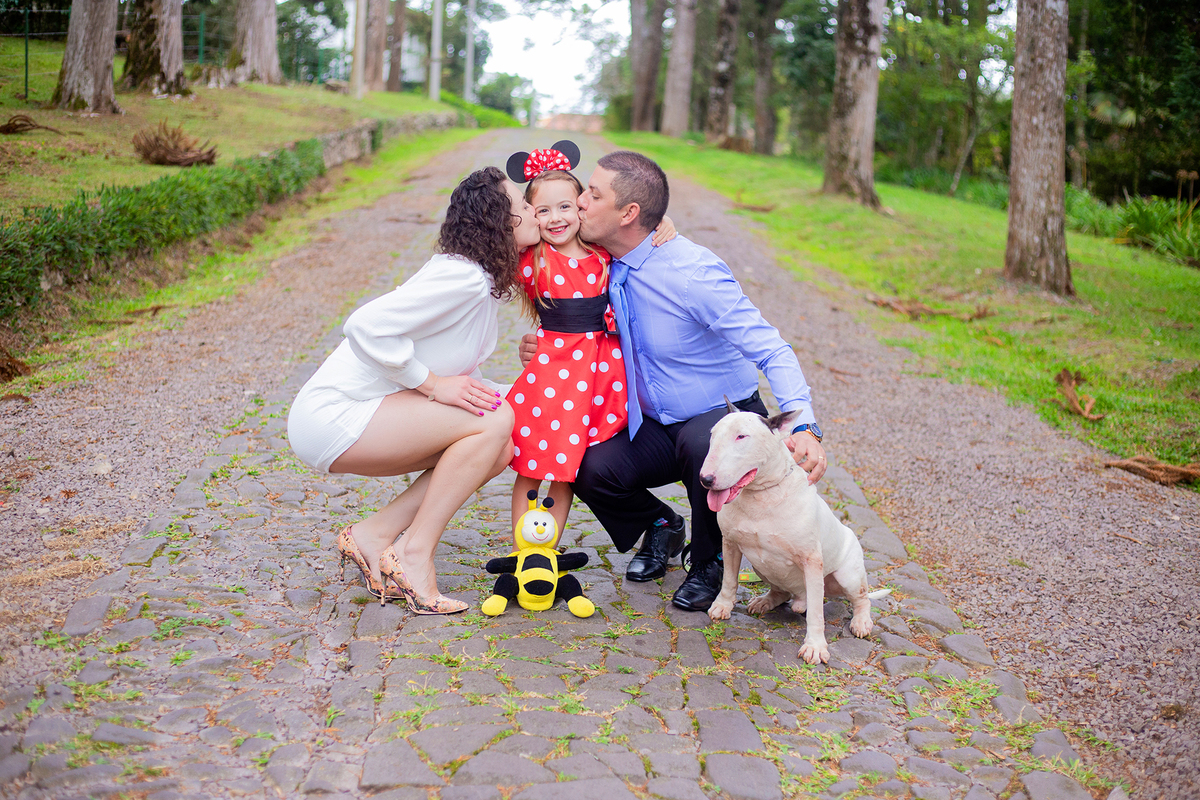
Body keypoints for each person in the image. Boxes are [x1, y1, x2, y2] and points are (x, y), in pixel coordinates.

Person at [520, 150, 827, 613]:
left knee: (703, 444)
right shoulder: (604, 258)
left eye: (592, 194)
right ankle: (661, 526)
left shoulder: (692, 273)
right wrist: (544, 342)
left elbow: (772, 348)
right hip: (652, 421)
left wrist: (803, 426)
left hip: (717, 413)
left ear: (628, 214)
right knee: (586, 464)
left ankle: (708, 563)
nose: (578, 201)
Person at [288, 166, 540, 615]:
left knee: (503, 438)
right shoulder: (461, 277)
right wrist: (434, 385)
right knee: (496, 421)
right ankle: (413, 553)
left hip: (374, 409)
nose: (534, 211)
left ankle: (374, 535)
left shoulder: (477, 281)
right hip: (334, 416)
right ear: (502, 222)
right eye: (523, 205)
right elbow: (362, 325)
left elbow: (471, 383)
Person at [504, 142, 675, 539]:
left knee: (567, 472)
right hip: (550, 380)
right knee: (533, 467)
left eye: (565, 206)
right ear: (530, 216)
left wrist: (664, 223)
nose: (555, 218)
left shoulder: (603, 256)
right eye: (542, 210)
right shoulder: (532, 261)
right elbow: (490, 255)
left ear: (582, 207)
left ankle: (546, 549)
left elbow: (635, 226)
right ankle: (523, 550)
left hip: (598, 382)